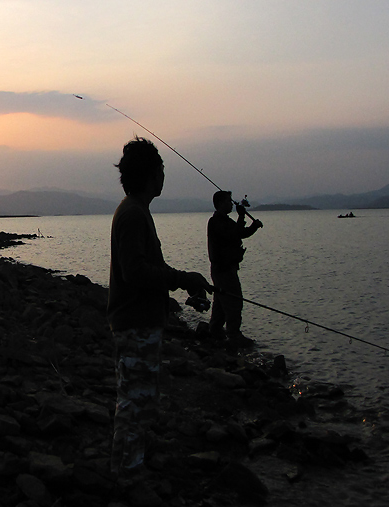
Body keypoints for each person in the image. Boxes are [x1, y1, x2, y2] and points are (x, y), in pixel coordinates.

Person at [106, 137, 212, 479]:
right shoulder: (134, 214)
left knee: (137, 400)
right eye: (161, 169)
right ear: (151, 175)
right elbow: (133, 271)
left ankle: (126, 465)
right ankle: (128, 474)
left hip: (139, 322)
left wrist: (181, 283)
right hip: (135, 325)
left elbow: (141, 269)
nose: (164, 175)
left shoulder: (136, 209)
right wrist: (182, 279)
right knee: (135, 402)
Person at [207, 190, 263, 350]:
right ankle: (233, 334)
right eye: (228, 201)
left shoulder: (225, 220)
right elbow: (231, 235)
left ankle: (216, 331)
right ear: (221, 203)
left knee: (221, 301)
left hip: (225, 268)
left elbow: (240, 233)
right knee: (234, 301)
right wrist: (241, 217)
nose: (231, 204)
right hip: (222, 269)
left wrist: (253, 227)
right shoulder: (216, 221)